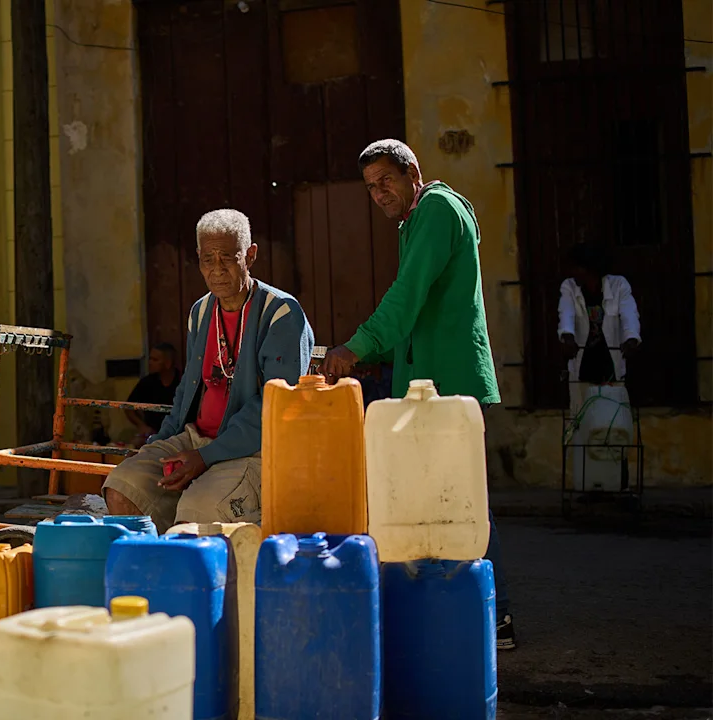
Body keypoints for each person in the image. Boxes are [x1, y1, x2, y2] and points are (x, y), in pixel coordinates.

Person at [318, 139, 515, 650]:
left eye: (386, 181)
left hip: (447, 388)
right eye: (370, 187)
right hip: (428, 383)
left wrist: (355, 347)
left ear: (412, 172)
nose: (379, 194)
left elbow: (404, 301)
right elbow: (417, 313)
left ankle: (492, 617)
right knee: (435, 502)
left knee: (460, 504)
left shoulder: (435, 210)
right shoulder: (417, 220)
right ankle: (455, 615)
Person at [103, 209, 314, 530]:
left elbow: (276, 404)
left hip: (253, 450)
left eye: (227, 258)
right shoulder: (200, 312)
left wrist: (208, 457)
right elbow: (188, 392)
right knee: (123, 486)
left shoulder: (281, 313)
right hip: (196, 440)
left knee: (198, 512)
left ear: (251, 255)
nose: (217, 270)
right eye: (207, 259)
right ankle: (149, 573)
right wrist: (157, 444)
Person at [558, 243, 640, 391]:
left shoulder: (619, 285)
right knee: (582, 410)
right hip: (583, 364)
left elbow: (630, 315)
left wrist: (632, 338)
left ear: (589, 269)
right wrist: (567, 336)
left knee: (613, 409)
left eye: (576, 268)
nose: (572, 272)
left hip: (610, 362)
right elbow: (566, 313)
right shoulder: (569, 286)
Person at [125, 342, 181, 447]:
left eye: (155, 360)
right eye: (150, 359)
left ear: (168, 363)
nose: (150, 362)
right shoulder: (147, 382)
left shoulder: (182, 382)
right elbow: (128, 407)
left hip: (177, 435)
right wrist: (142, 425)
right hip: (150, 435)